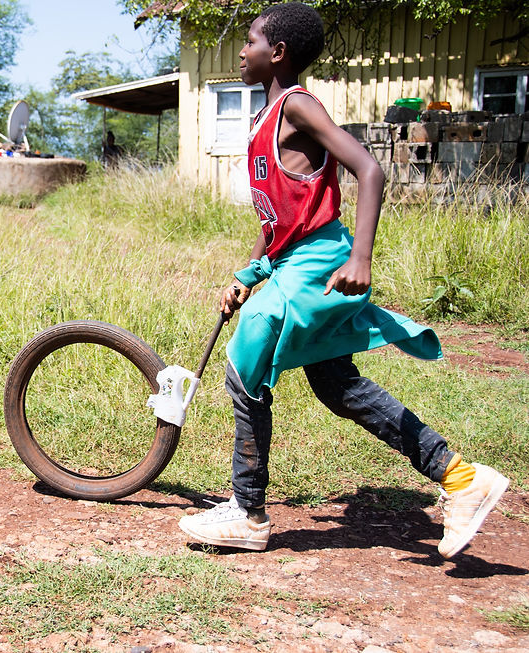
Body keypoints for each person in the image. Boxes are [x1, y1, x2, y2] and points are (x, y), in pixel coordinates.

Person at [177, 2, 508, 558]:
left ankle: (247, 511)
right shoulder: (264, 118)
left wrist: (361, 257)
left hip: (322, 262)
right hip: (295, 261)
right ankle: (461, 479)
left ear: (277, 52)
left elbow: (369, 168)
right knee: (339, 386)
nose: (242, 50)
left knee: (245, 361)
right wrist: (250, 274)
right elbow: (280, 220)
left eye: (251, 40)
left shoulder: (297, 106)